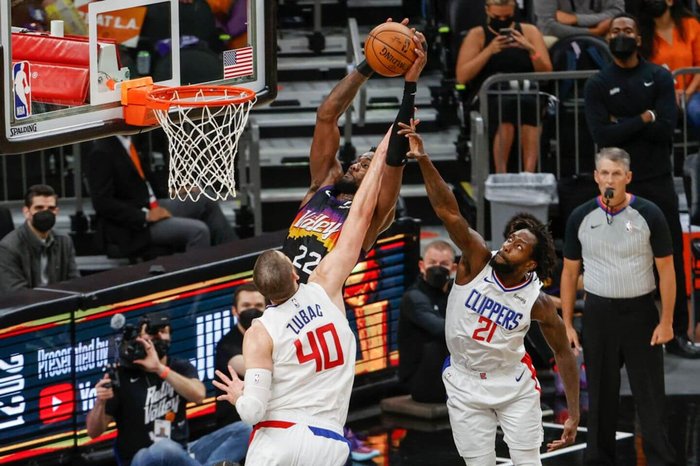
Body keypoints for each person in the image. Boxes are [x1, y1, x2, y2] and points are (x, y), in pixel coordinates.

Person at [399, 121, 580, 464]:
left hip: (511, 382)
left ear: (530, 265)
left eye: (518, 245)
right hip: (464, 380)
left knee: (527, 461)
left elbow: (563, 353)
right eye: (511, 238)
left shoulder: (536, 301)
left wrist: (573, 413)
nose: (508, 244)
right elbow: (447, 211)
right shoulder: (477, 259)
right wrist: (423, 160)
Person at [213, 130, 388, 466]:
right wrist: (383, 152)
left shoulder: (260, 331)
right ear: (295, 273)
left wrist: (238, 396)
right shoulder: (324, 286)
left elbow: (252, 412)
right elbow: (362, 215)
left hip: (279, 438)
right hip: (330, 442)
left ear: (261, 293)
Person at [584, 13, 700, 358]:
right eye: (616, 30)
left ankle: (677, 332)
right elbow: (601, 136)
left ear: (638, 38)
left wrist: (625, 123)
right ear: (608, 39)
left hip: (657, 180)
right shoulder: (598, 83)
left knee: (669, 260)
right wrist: (644, 117)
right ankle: (627, 340)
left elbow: (666, 128)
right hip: (615, 187)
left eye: (628, 31)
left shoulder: (659, 76)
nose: (621, 35)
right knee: (619, 258)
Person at [281, 19, 427, 283]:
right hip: (280, 301)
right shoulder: (324, 185)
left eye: (367, 165)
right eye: (359, 160)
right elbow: (327, 116)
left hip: (319, 306)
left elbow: (394, 158)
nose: (356, 164)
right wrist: (370, 62)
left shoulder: (372, 214)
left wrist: (410, 85)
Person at [561, 147, 677, 465]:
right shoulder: (580, 216)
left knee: (650, 397)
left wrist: (667, 321)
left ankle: (661, 459)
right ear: (596, 177)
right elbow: (570, 273)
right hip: (599, 315)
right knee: (600, 397)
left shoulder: (649, 214)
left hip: (641, 314)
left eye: (616, 173)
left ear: (628, 177)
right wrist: (568, 324)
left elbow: (667, 270)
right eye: (604, 173)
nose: (609, 178)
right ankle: (598, 460)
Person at [86, 312, 250, 466]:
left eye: (163, 332)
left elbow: (199, 395)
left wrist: (160, 369)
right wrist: (100, 402)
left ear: (170, 336)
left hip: (182, 452)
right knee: (164, 448)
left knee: (245, 430)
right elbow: (93, 432)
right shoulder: (123, 376)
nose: (158, 337)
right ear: (140, 338)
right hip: (141, 458)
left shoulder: (179, 367)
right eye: (151, 332)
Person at [86, 135, 236, 259]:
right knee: (199, 231)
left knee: (204, 197)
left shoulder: (127, 143)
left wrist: (174, 192)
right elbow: (102, 202)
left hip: (153, 205)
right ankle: (197, 288)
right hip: (132, 226)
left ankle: (235, 257)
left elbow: (142, 187)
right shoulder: (102, 151)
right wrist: (145, 216)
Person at [455, 0, 553, 173]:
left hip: (525, 92)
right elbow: (462, 76)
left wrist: (530, 49)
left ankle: (529, 174)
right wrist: (489, 50)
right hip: (490, 95)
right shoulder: (477, 35)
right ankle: (501, 174)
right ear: (487, 11)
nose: (502, 20)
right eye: (497, 17)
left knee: (530, 106)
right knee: (507, 108)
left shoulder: (530, 32)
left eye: (507, 17)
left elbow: (546, 71)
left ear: (514, 11)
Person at [398, 240, 456, 403]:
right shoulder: (414, 297)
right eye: (432, 263)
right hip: (421, 381)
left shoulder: (456, 292)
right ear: (422, 266)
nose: (437, 268)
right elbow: (440, 329)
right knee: (439, 343)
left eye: (444, 264)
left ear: (453, 268)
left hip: (451, 377)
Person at [0, 184, 79, 292]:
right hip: (28, 305)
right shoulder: (8, 247)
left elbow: (74, 283)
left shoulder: (64, 241)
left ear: (56, 211)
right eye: (39, 208)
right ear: (26, 212)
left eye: (51, 208)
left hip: (60, 304)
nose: (45, 213)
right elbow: (16, 292)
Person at [638, 0, 700, 129]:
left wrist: (687, 93)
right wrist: (669, 93)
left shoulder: (691, 25)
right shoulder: (641, 36)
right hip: (659, 96)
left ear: (671, 2)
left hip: (694, 92)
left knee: (696, 111)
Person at [214, 283, 266, 428]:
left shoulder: (271, 336)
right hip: (236, 426)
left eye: (258, 305)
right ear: (235, 311)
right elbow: (252, 368)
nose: (252, 310)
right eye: (246, 305)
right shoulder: (226, 345)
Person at [534, 0, 624, 42]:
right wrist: (594, 32)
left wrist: (576, 19)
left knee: (622, 33)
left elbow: (617, 14)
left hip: (603, 36)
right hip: (560, 39)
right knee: (547, 40)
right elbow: (547, 27)